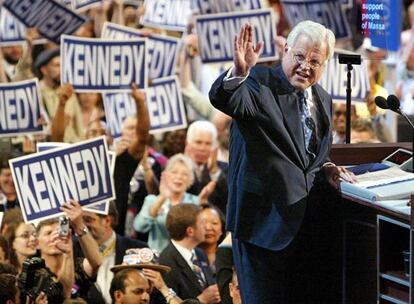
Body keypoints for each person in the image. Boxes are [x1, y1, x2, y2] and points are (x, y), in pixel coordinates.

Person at [209, 21, 356, 303]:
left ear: (325, 64)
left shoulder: (323, 98)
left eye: (315, 61)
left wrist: (327, 168)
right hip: (262, 227)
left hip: (309, 229)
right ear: (286, 50)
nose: (306, 66)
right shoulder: (258, 83)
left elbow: (311, 157)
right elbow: (225, 98)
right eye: (300, 57)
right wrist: (239, 73)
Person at [75, 201, 147, 304]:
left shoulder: (138, 249)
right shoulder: (72, 249)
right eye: (80, 221)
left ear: (107, 221)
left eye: (88, 220)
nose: (83, 226)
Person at [133, 153, 200, 252]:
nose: (179, 177)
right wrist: (161, 198)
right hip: (158, 259)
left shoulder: (195, 202)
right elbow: (139, 227)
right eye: (174, 172)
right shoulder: (152, 200)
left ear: (191, 180)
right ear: (165, 175)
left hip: (186, 258)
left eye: (184, 174)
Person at [159, 204, 220, 304]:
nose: (207, 227)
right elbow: (168, 300)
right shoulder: (166, 261)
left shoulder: (200, 253)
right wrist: (200, 300)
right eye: (202, 222)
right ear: (190, 231)